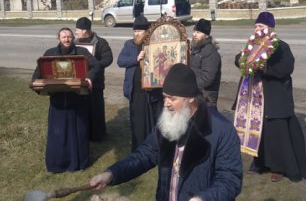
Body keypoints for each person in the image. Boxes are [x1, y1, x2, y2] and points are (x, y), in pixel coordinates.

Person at [89, 63, 243, 201]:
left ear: (190, 98)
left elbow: (230, 180)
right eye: (164, 97)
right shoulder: (168, 122)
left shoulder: (222, 130)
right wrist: (111, 174)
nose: (166, 104)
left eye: (172, 98)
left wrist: (203, 198)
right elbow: (144, 155)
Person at [232, 12, 306, 182]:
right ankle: (259, 163)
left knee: (276, 134)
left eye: (261, 26)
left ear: (270, 28)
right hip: (254, 98)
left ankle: (278, 168)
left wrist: (265, 68)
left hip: (274, 98)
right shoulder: (252, 45)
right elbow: (240, 58)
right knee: (258, 133)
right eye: (256, 26)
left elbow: (286, 68)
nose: (257, 29)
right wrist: (242, 61)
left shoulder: (281, 46)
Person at [31, 27, 100, 173]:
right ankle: (58, 164)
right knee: (58, 134)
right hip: (58, 102)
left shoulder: (82, 52)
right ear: (58, 39)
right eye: (64, 37)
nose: (67, 39)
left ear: (72, 38)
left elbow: (96, 66)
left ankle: (80, 162)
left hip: (77, 101)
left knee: (78, 132)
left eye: (69, 36)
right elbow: (38, 72)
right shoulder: (49, 54)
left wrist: (89, 77)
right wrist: (36, 83)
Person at [117, 15, 163, 151]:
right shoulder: (129, 44)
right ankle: (138, 147)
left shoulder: (154, 44)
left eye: (140, 31)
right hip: (135, 90)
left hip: (151, 90)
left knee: (152, 119)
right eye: (135, 31)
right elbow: (120, 61)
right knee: (137, 121)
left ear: (147, 32)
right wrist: (136, 58)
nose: (136, 34)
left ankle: (153, 147)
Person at [74, 16, 113, 142]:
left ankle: (97, 134)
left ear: (85, 31)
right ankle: (84, 133)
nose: (76, 32)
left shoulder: (100, 42)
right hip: (80, 82)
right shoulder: (75, 43)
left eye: (78, 30)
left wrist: (95, 66)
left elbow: (108, 59)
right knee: (82, 109)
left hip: (96, 83)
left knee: (96, 109)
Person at [189, 18, 222, 109]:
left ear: (206, 35)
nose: (195, 35)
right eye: (194, 31)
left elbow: (207, 78)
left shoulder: (211, 53)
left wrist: (188, 85)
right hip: (196, 95)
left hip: (206, 99)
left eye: (198, 32)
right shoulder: (196, 49)